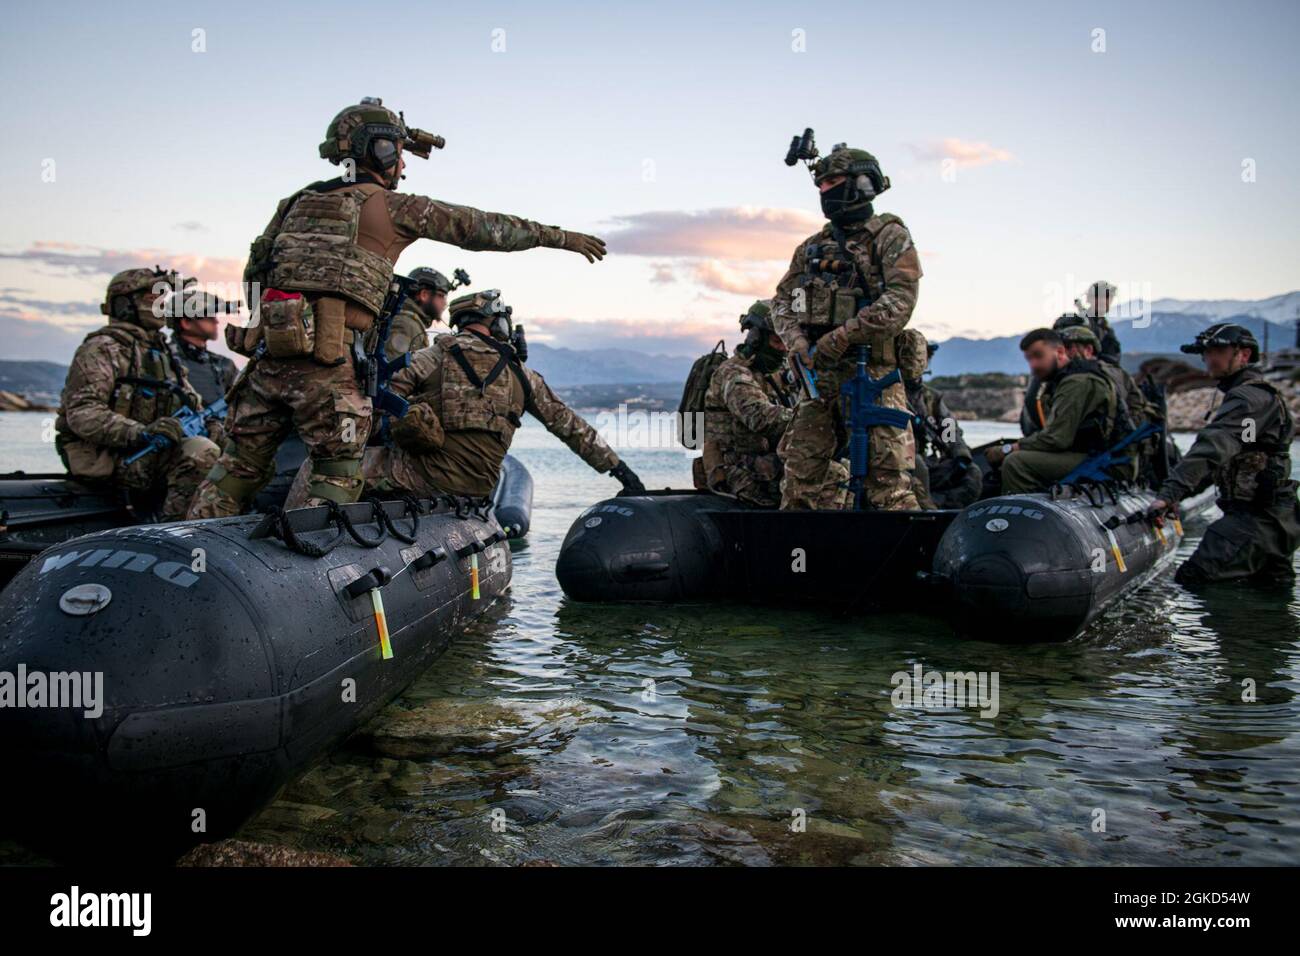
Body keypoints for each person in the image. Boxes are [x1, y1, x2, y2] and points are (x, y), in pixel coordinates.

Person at [187, 98, 606, 518]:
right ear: (381, 150)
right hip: (329, 367)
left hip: (264, 362)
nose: (402, 167)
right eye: (399, 155)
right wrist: (559, 238)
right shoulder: (391, 207)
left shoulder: (295, 202)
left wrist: (272, 327)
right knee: (337, 473)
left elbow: (256, 271)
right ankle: (304, 558)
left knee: (235, 470)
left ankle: (190, 547)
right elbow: (481, 227)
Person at [363, 290, 644, 499]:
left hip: (420, 477)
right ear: (499, 324)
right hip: (480, 486)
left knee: (342, 470)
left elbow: (380, 401)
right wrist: (619, 470)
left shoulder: (433, 356)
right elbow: (570, 426)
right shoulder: (523, 374)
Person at [772, 143, 922, 510]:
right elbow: (782, 300)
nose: (825, 192)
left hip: (874, 375)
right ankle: (797, 562)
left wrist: (840, 338)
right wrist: (796, 342)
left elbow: (900, 301)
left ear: (862, 184)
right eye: (820, 185)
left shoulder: (889, 236)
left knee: (889, 486)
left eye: (833, 182)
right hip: (819, 379)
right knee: (799, 482)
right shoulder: (812, 247)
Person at [55, 267, 220, 520]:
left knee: (235, 450)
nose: (159, 305)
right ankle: (173, 533)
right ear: (125, 304)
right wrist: (141, 432)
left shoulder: (161, 351)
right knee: (201, 452)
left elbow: (191, 402)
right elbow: (83, 413)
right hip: (115, 458)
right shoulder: (102, 349)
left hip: (152, 452)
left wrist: (215, 426)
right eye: (151, 298)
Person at [1150, 323, 1299, 585]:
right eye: (1206, 352)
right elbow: (1224, 459)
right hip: (1274, 522)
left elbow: (1213, 447)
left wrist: (1169, 494)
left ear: (1243, 354)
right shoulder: (1253, 395)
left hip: (1254, 522)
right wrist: (1181, 494)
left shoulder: (1248, 398)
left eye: (1218, 351)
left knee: (1192, 580)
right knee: (1267, 597)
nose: (1209, 358)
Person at [988, 328, 1117, 493]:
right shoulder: (1065, 380)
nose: (1033, 365)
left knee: (1016, 463)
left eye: (1039, 356)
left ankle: (1022, 515)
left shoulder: (1077, 382)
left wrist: (1009, 448)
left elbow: (1056, 439)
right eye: (1029, 359)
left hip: (1101, 459)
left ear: (1060, 351)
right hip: (1088, 454)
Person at [699, 301, 795, 507]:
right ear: (757, 338)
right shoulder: (733, 373)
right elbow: (759, 417)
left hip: (767, 464)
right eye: (778, 341)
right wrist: (808, 418)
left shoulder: (779, 374)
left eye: (787, 341)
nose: (784, 349)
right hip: (736, 469)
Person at [902, 340, 980, 509]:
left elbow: (949, 428)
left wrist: (960, 455)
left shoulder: (931, 398)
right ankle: (927, 511)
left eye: (923, 358)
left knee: (972, 473)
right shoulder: (890, 391)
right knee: (918, 465)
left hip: (927, 462)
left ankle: (945, 512)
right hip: (900, 463)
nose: (919, 363)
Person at [368, 266, 459, 360]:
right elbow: (390, 370)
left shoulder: (405, 319)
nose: (445, 303)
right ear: (424, 295)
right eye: (441, 296)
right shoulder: (406, 324)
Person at [166, 288, 238, 407]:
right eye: (209, 316)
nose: (216, 321)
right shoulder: (165, 361)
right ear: (186, 323)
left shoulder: (224, 365)